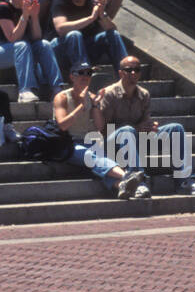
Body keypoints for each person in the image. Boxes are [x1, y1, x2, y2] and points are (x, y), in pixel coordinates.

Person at [99, 54, 195, 197]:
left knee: (176, 128)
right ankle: (138, 183)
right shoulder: (109, 94)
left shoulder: (144, 94)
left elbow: (144, 123)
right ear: (120, 73)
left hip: (135, 140)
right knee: (127, 130)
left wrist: (150, 128)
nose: (133, 73)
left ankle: (185, 180)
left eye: (137, 70)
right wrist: (136, 129)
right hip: (112, 143)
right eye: (128, 70)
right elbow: (104, 128)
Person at [52, 61, 142, 198]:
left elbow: (100, 127)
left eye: (88, 73)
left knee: (100, 157)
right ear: (72, 77)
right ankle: (129, 177)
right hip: (68, 144)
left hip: (90, 142)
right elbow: (63, 125)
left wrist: (94, 105)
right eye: (81, 73)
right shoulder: (62, 97)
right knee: (92, 157)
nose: (85, 76)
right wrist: (81, 106)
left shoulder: (92, 97)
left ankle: (123, 186)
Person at [0, 0, 61, 103]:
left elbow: (37, 37)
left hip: (15, 49)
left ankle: (56, 88)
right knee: (22, 45)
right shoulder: (3, 8)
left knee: (44, 44)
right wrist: (25, 16)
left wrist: (35, 16)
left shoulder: (26, 8)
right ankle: (25, 90)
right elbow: (12, 38)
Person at [51, 0, 127, 75]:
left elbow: (113, 29)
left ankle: (125, 74)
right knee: (74, 35)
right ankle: (84, 75)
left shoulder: (91, 3)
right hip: (61, 49)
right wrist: (90, 18)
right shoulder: (61, 2)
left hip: (86, 47)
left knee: (112, 34)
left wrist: (101, 14)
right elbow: (61, 29)